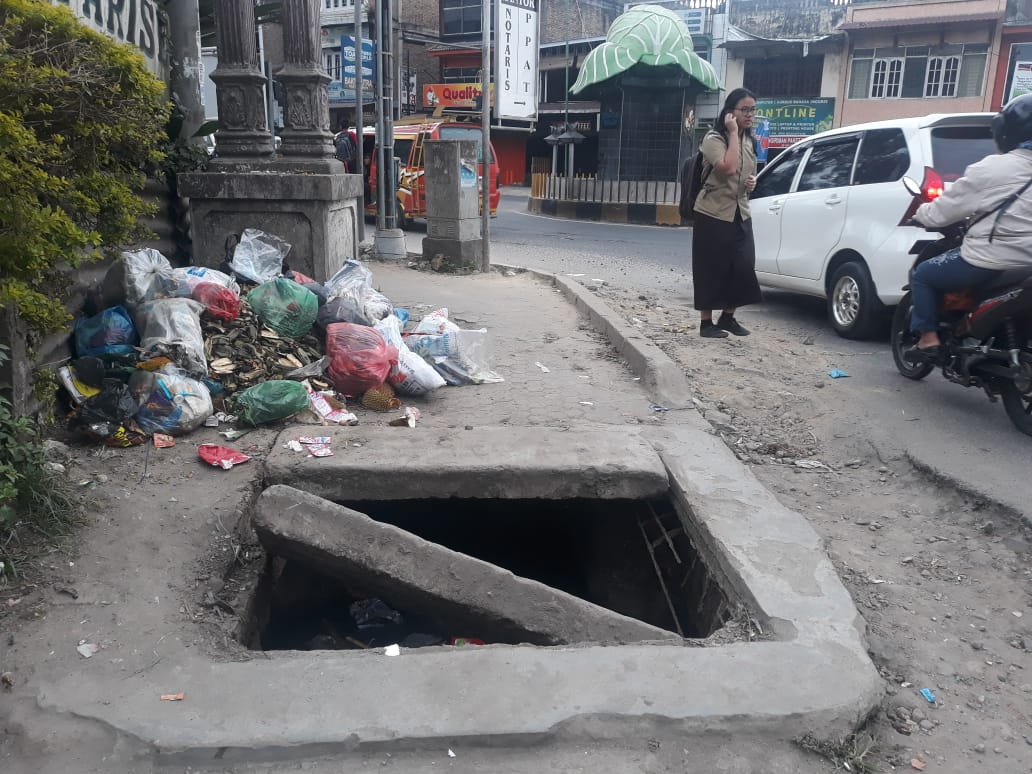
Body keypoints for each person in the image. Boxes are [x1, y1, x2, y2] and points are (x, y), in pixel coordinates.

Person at [907, 93, 1032, 361]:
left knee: (924, 274)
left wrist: (921, 215)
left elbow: (943, 212)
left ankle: (928, 339)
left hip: (990, 260)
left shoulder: (992, 168)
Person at [691, 87, 763, 338]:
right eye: (745, 109)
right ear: (730, 112)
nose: (750, 114)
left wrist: (751, 182)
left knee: (743, 265)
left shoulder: (749, 140)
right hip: (712, 212)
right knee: (710, 267)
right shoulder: (714, 138)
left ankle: (728, 317)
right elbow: (728, 168)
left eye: (753, 109)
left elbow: (744, 172)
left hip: (740, 211)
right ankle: (706, 323)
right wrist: (732, 132)